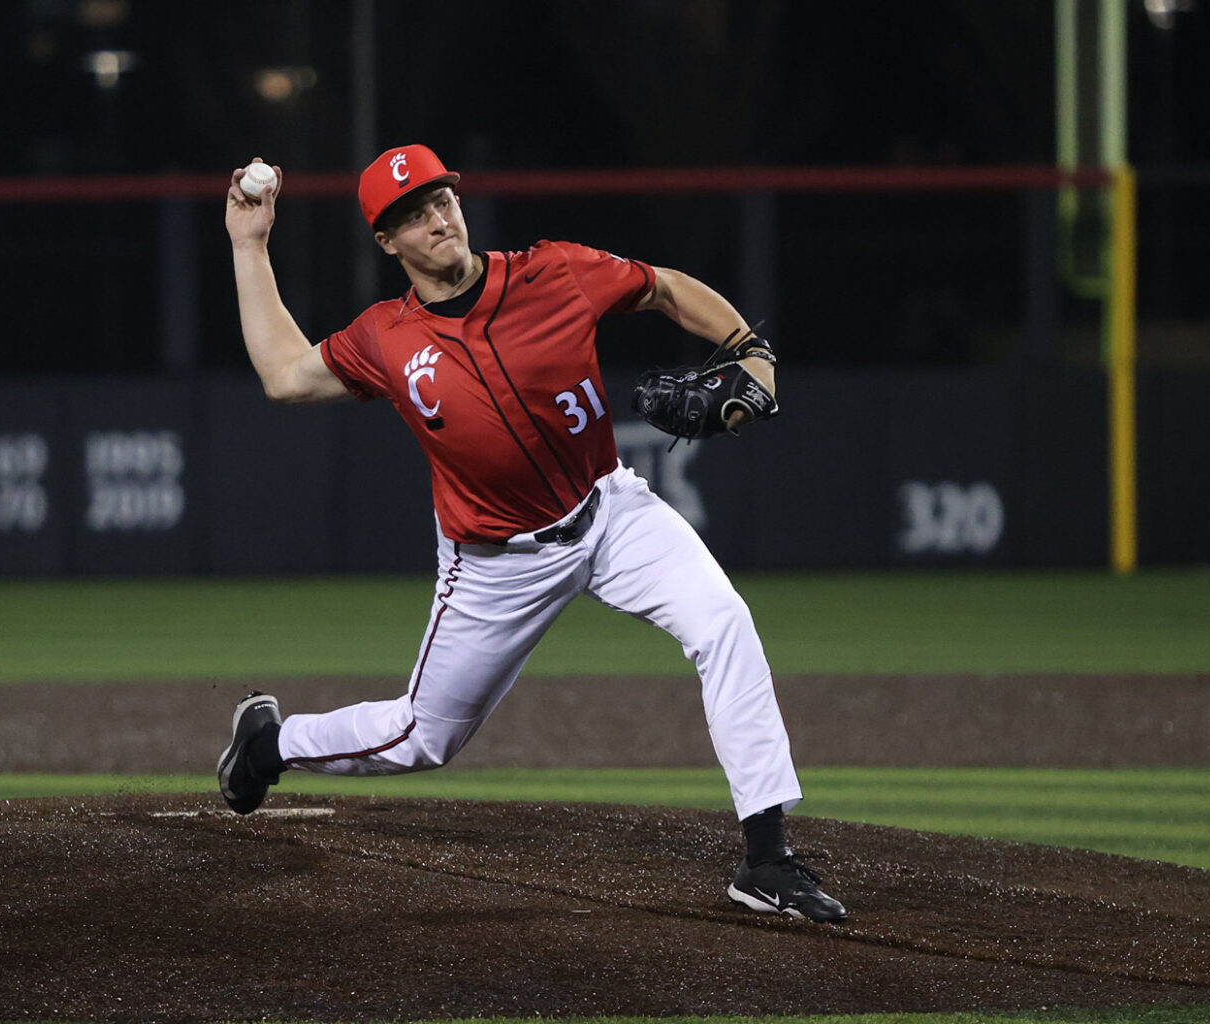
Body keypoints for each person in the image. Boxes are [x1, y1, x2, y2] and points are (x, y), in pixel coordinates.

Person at [215, 144, 845, 923]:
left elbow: (664, 288)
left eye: (441, 199)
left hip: (610, 511)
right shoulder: (386, 337)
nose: (436, 220)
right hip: (494, 563)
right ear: (387, 241)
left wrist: (751, 351)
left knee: (724, 622)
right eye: (411, 215)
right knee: (422, 738)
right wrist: (249, 245)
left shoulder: (553, 272)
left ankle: (767, 861)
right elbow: (284, 374)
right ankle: (269, 744)